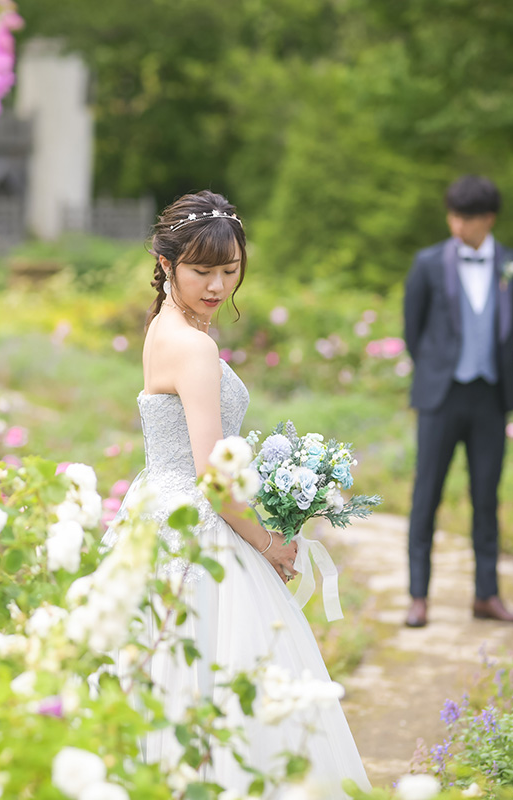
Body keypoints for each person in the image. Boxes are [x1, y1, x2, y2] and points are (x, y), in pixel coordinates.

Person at [103, 191, 369, 797]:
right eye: (202, 270)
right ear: (167, 264)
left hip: (158, 510)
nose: (218, 285)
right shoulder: (194, 346)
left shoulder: (166, 325)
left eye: (229, 270)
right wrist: (271, 542)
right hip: (194, 523)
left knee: (174, 674)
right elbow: (214, 478)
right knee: (217, 674)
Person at [402, 175, 513, 629]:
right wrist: (438, 370)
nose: (457, 226)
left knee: (486, 496)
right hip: (440, 396)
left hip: (491, 397)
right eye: (452, 216)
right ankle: (418, 597)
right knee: (427, 494)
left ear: (488, 219)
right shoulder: (427, 263)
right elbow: (412, 332)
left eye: (467, 218)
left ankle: (486, 595)